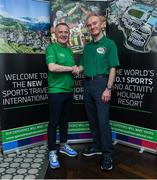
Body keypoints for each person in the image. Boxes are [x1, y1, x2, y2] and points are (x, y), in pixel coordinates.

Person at [76, 15, 120, 171]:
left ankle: (107, 154)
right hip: (87, 84)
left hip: (102, 83)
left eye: (94, 23)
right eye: (89, 25)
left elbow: (113, 68)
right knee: (92, 119)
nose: (92, 26)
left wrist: (108, 88)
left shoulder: (109, 44)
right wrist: (75, 69)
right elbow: (82, 66)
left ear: (101, 24)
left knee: (103, 121)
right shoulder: (87, 46)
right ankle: (96, 146)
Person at [45, 23, 78, 169]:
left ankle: (64, 145)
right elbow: (52, 67)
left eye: (66, 32)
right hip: (56, 91)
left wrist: (77, 69)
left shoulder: (69, 50)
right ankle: (52, 151)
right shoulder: (51, 48)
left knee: (65, 120)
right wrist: (72, 68)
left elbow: (74, 70)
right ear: (56, 34)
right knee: (54, 122)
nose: (64, 34)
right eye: (61, 32)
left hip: (68, 90)